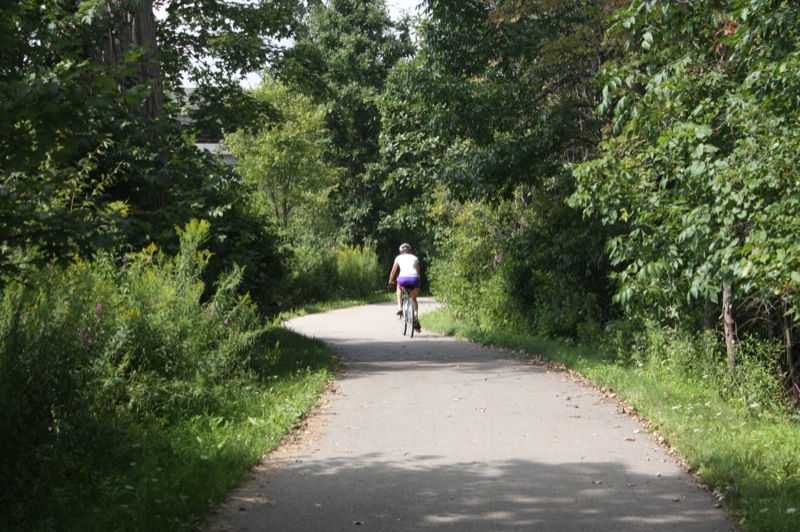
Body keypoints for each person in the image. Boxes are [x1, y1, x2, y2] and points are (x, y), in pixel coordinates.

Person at [388, 242, 421, 332]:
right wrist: (418, 282)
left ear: (401, 251)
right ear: (409, 251)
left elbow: (393, 272)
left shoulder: (398, 258)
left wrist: (390, 281)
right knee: (414, 300)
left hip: (403, 279)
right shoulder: (415, 258)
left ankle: (399, 306)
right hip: (414, 279)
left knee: (399, 287)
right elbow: (418, 273)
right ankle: (416, 317)